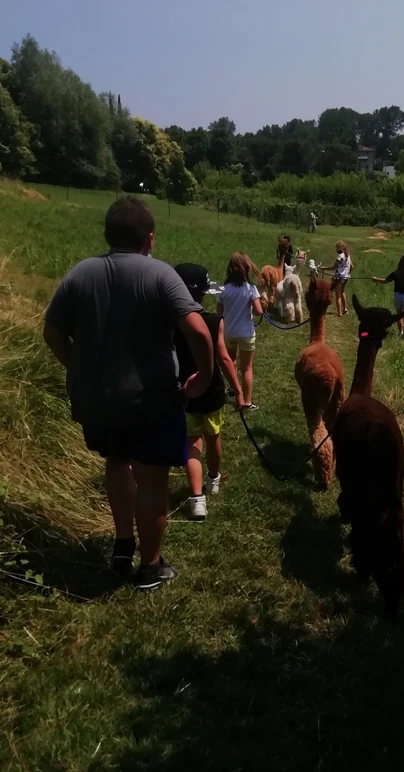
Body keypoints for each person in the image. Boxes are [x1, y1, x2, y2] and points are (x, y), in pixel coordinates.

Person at [43, 197, 213, 591]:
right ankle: (150, 567)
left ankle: (122, 546)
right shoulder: (160, 275)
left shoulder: (79, 274)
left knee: (117, 462)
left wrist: (78, 368)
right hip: (150, 401)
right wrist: (202, 378)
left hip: (96, 402)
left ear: (107, 235)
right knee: (153, 478)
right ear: (149, 239)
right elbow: (199, 331)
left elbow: (52, 331)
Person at [173, 263, 246, 521]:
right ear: (204, 294)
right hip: (212, 389)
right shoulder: (214, 322)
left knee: (192, 441)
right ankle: (213, 479)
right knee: (214, 435)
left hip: (185, 390)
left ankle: (197, 500)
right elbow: (225, 359)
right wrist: (238, 391)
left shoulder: (172, 322)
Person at [216, 253, 263, 411]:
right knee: (247, 368)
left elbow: (219, 314)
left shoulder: (224, 290)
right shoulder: (251, 289)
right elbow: (258, 311)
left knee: (231, 361)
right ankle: (247, 401)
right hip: (246, 333)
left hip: (229, 332)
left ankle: (233, 389)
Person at [371, 254, 404, 339]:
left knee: (399, 315)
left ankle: (400, 333)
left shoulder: (396, 272)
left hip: (397, 296)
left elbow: (386, 281)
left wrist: (375, 279)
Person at [323, 241, 353, 318]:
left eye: (337, 248)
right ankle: (345, 309)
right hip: (346, 277)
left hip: (339, 277)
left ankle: (339, 312)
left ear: (341, 248)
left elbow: (334, 267)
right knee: (343, 292)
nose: (336, 249)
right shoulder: (347, 255)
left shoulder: (340, 256)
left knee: (338, 295)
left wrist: (324, 268)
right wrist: (347, 273)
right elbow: (352, 267)